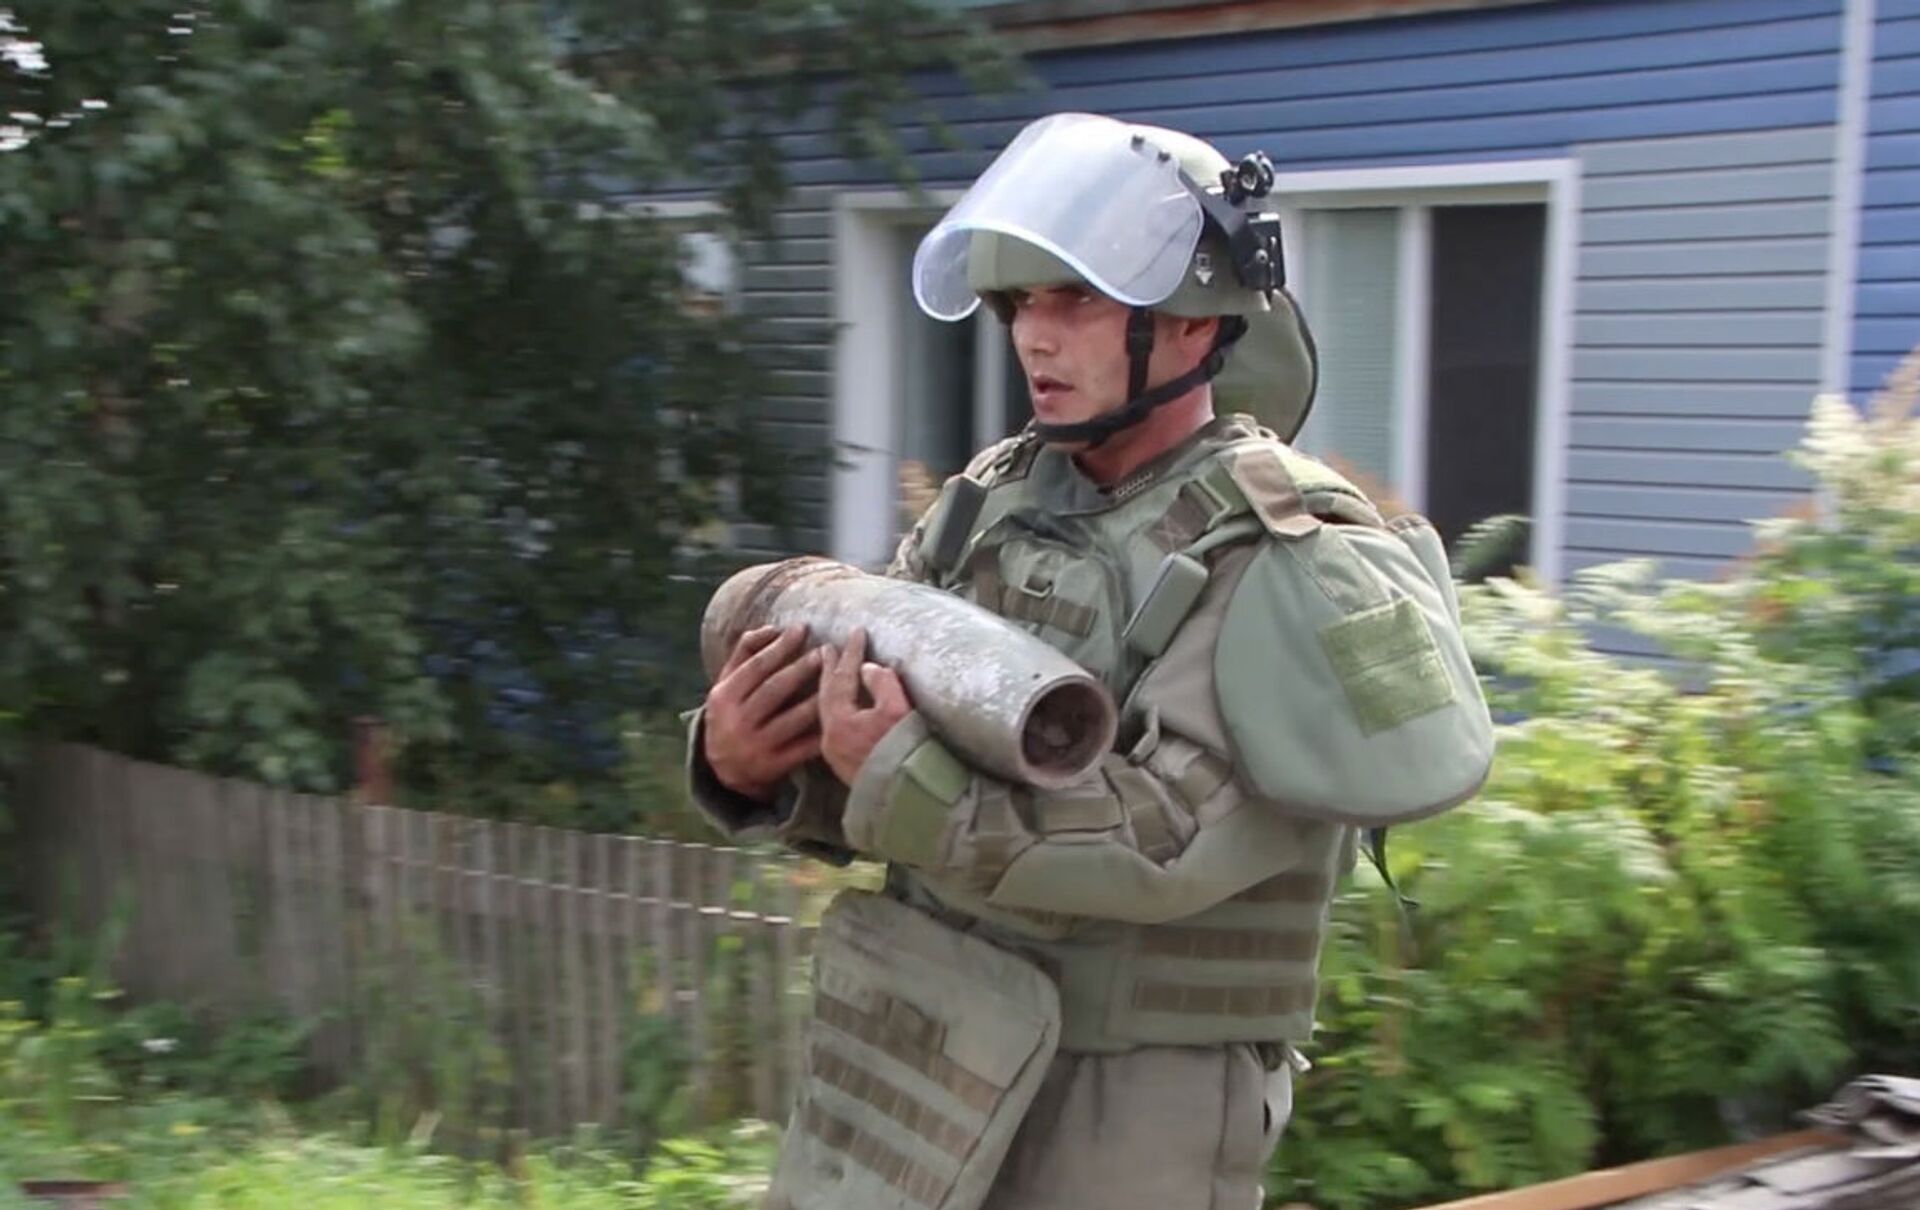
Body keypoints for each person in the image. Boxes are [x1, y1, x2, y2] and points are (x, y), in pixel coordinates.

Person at [686, 112, 1494, 1210]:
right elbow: (887, 745)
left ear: (1194, 322)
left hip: (1134, 1096)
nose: (1034, 336)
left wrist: (901, 782)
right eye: (1020, 302)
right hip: (928, 1055)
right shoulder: (990, 503)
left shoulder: (1284, 549)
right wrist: (758, 764)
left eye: (1076, 299)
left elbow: (1169, 840)